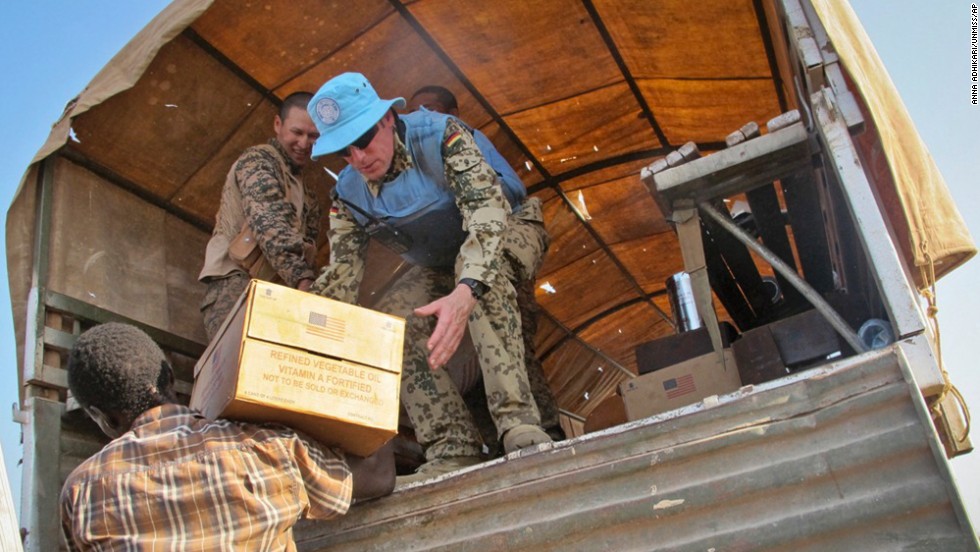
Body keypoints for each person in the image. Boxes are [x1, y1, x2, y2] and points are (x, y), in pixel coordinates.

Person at [307, 72, 552, 483]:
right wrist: (305, 332)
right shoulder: (348, 195)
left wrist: (466, 290)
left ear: (387, 118)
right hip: (444, 262)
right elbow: (340, 279)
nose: (358, 157)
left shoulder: (442, 135)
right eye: (343, 152)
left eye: (363, 140)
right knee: (393, 322)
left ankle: (518, 424)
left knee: (479, 281)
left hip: (507, 228)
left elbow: (487, 215)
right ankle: (451, 446)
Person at [60, 322, 395, 550]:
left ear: (102, 418)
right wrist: (371, 374)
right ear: (171, 380)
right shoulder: (265, 446)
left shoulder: (81, 493)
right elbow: (378, 476)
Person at [408, 85, 565, 446]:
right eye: (418, 110)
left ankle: (543, 430)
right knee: (475, 354)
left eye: (432, 110)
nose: (425, 117)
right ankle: (487, 442)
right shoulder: (416, 161)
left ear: (453, 114)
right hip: (460, 262)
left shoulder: (470, 140)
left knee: (514, 341)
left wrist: (464, 187)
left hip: (496, 250)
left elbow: (511, 189)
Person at [198, 91, 322, 340]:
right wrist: (304, 282)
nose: (304, 143)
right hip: (237, 286)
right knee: (237, 369)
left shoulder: (307, 194)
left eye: (313, 136)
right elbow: (268, 222)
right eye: (297, 132)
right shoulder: (258, 161)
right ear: (278, 125)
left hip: (275, 296)